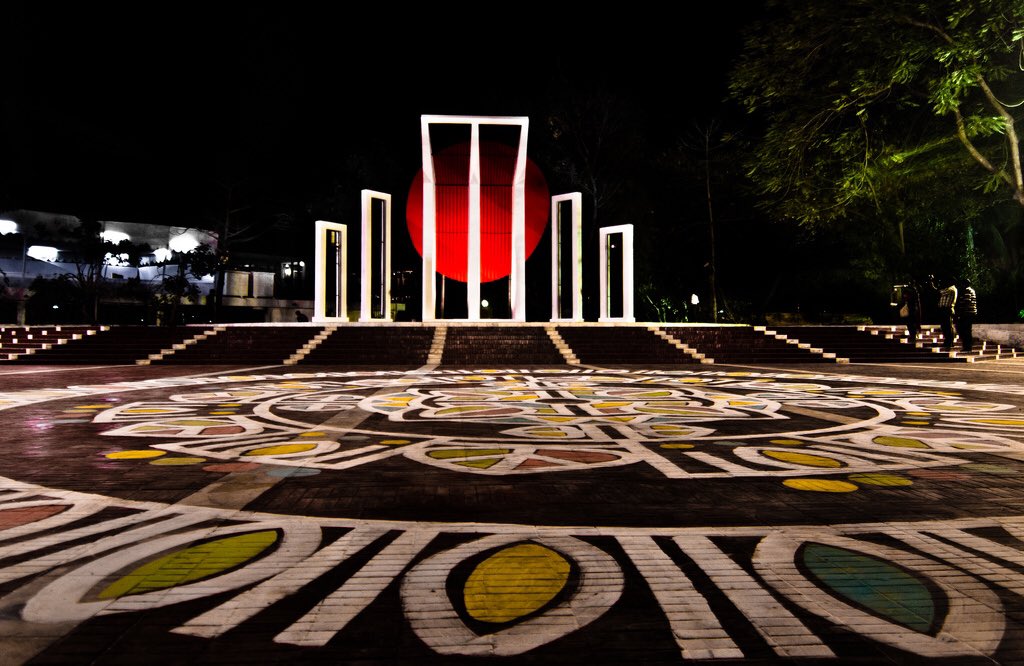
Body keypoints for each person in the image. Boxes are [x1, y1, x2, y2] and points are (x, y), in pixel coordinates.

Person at [937, 277, 958, 351]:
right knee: (944, 326)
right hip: (944, 309)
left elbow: (940, 292)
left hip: (947, 309)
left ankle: (950, 341)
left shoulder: (952, 289)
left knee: (948, 326)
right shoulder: (948, 289)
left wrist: (933, 286)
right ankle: (947, 340)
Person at [957, 278, 978, 353]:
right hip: (971, 313)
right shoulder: (972, 290)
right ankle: (968, 346)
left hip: (967, 313)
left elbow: (967, 302)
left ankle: (967, 346)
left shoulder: (967, 290)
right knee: (967, 330)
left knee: (965, 330)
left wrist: (962, 313)